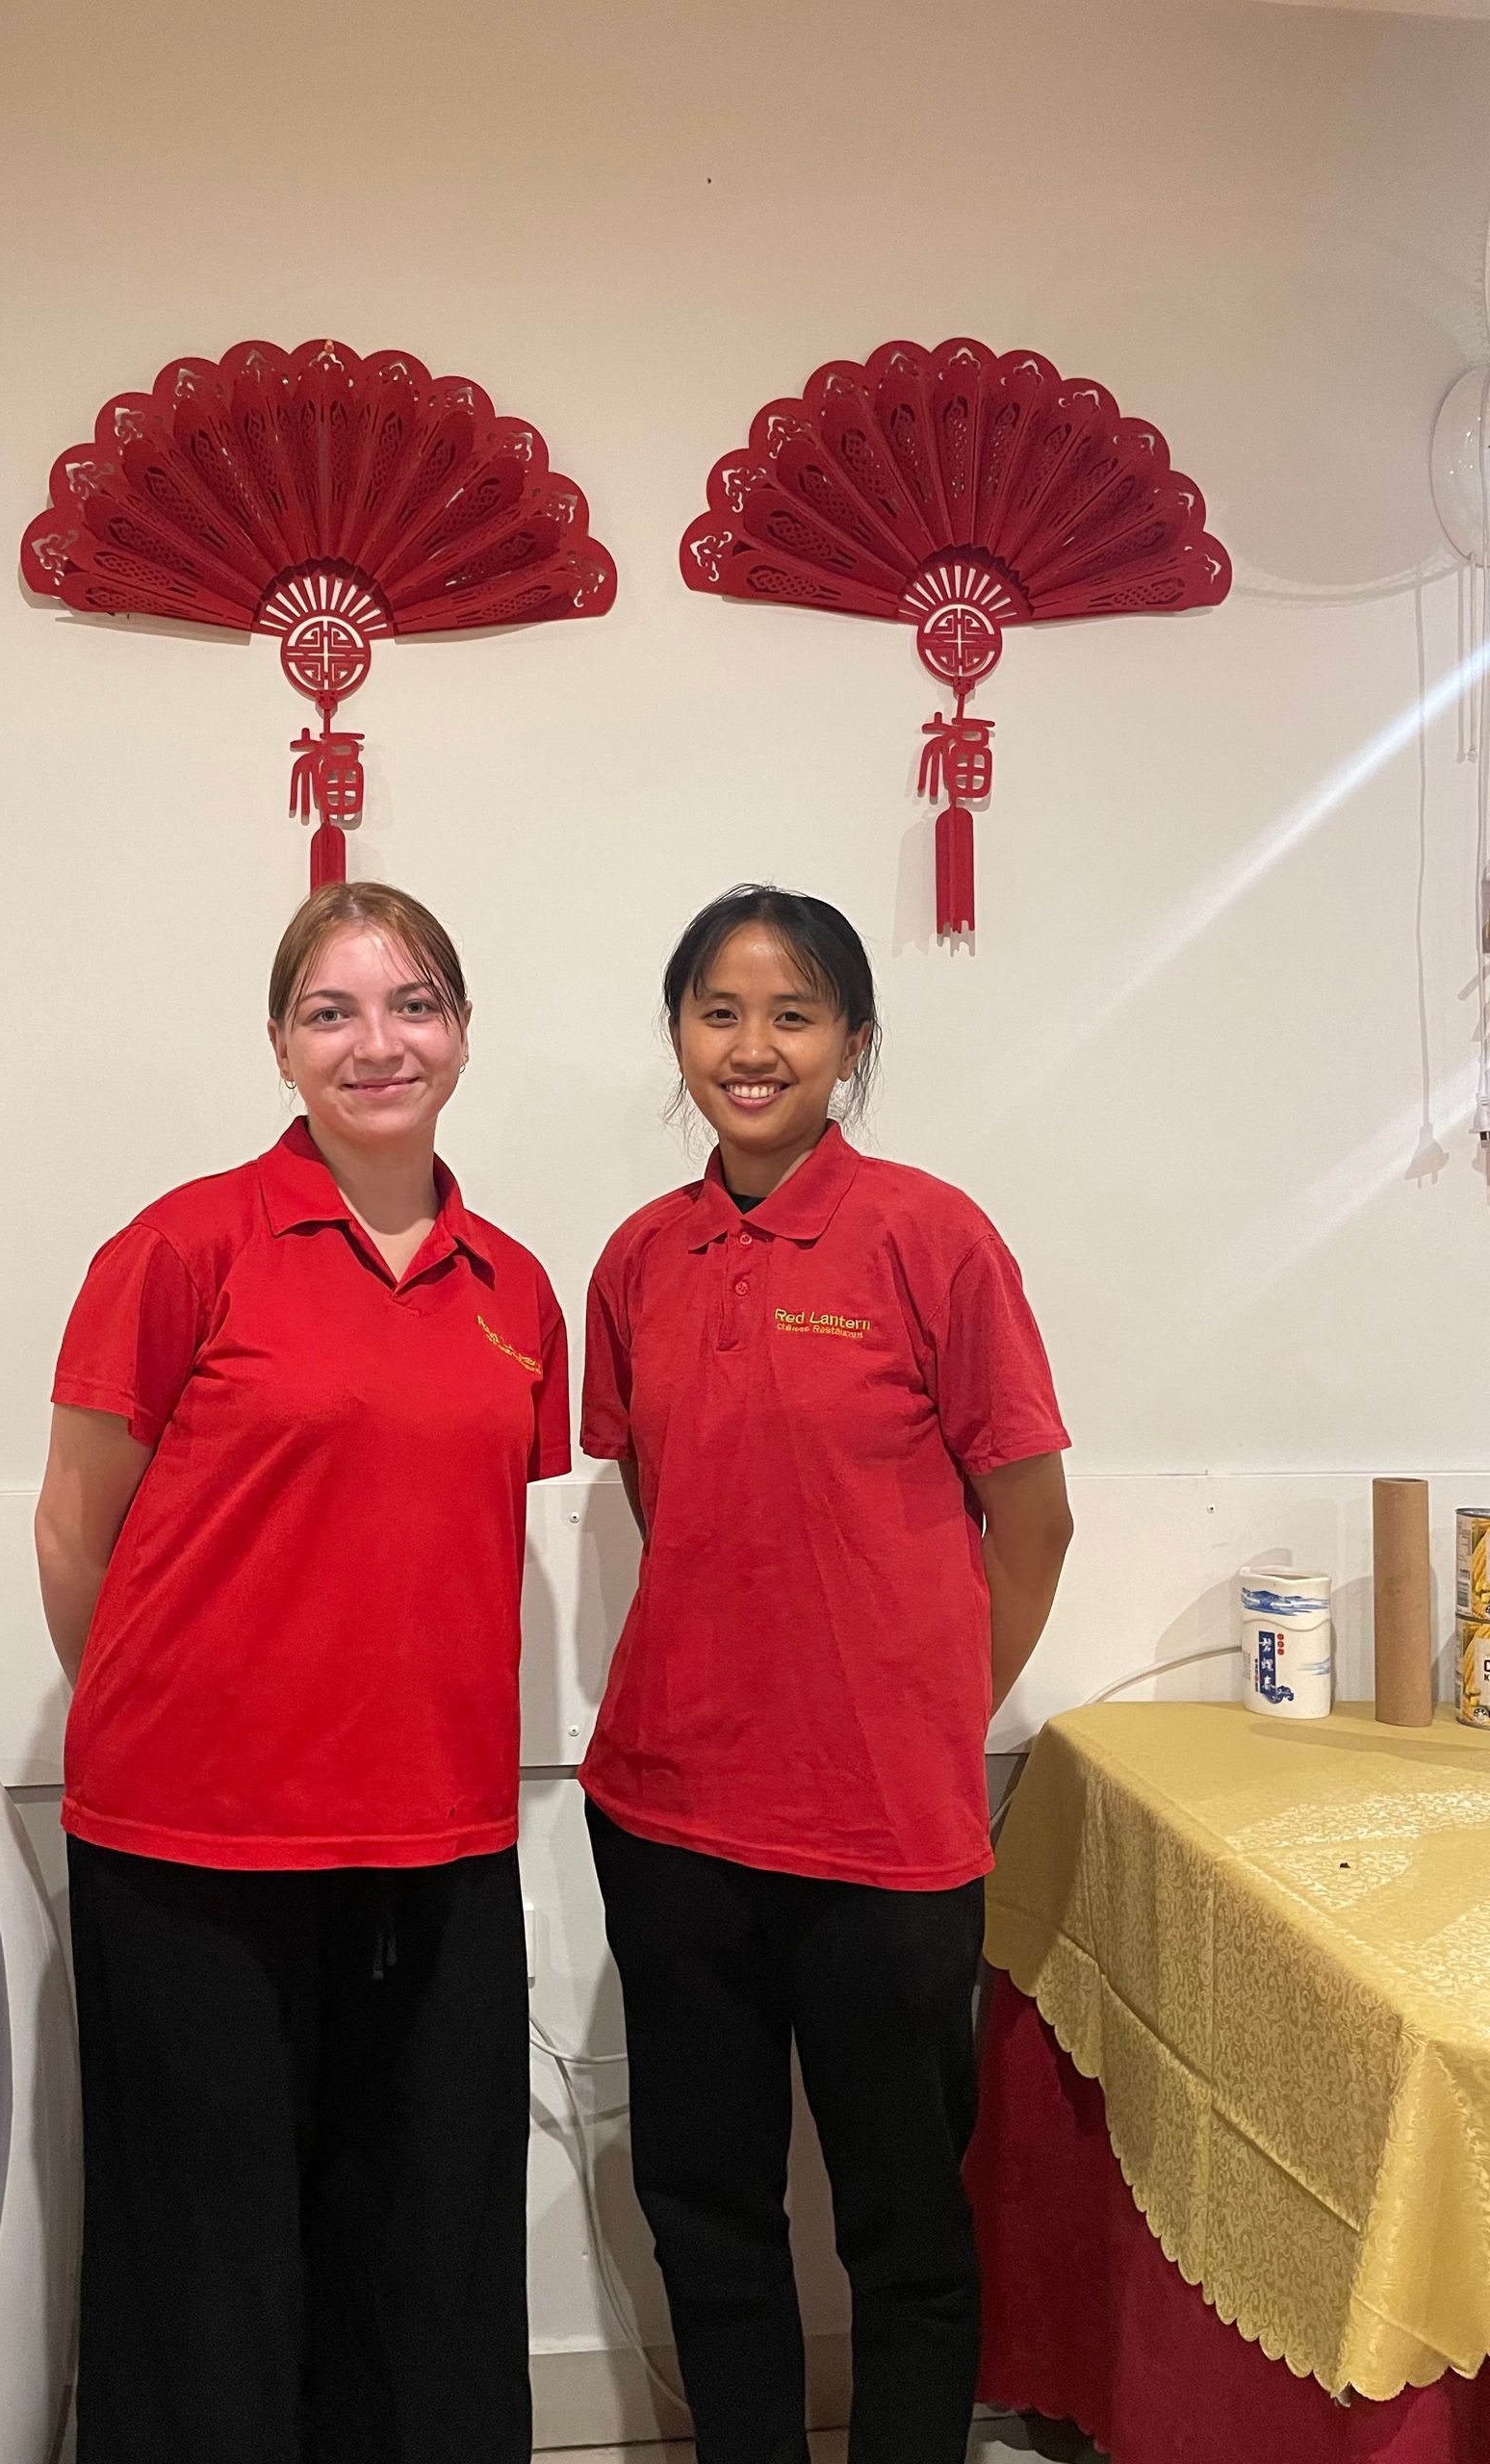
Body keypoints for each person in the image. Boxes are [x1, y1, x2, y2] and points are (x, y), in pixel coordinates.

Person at [33, 881, 569, 2464]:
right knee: (205, 2265)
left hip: (437, 1841)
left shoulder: (516, 1289)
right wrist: (183, 1720)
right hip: (195, 1845)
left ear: (462, 1035)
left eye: (411, 1005)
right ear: (279, 1045)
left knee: (427, 2253)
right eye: (331, 1011)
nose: (375, 1042)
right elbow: (78, 1535)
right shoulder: (183, 1247)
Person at [579, 885, 1072, 2464]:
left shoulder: (933, 1235)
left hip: (885, 1841)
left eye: (794, 1013)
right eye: (719, 1011)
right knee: (707, 2214)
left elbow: (1037, 1519)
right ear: (677, 1036)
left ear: (853, 1042)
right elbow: (672, 1502)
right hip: (669, 1823)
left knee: (904, 2234)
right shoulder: (640, 1259)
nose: (753, 1045)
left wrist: (927, 1714)